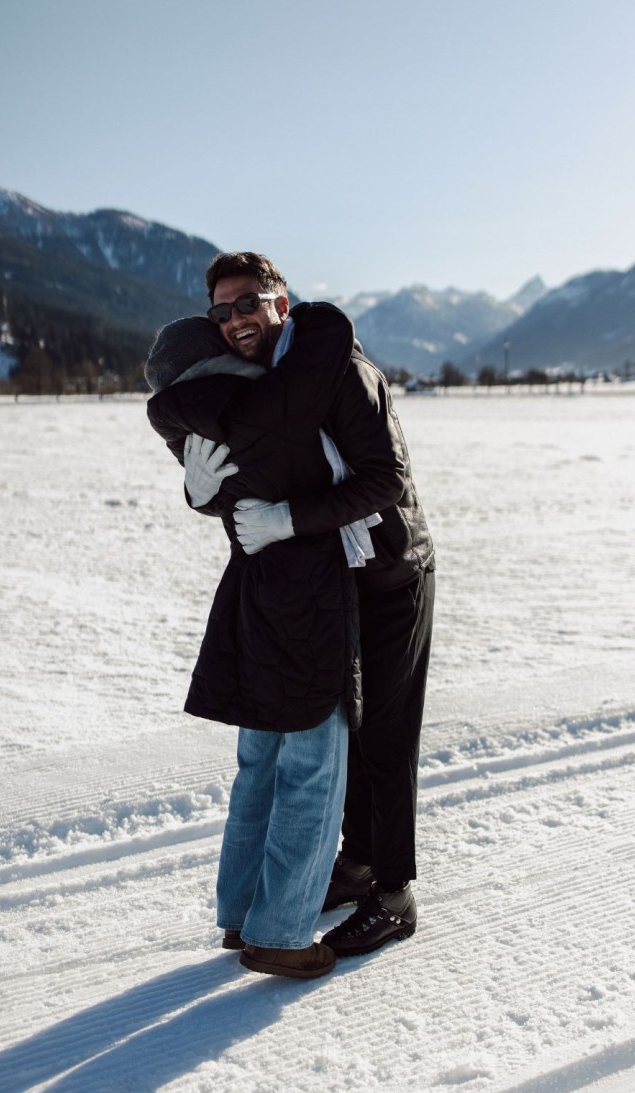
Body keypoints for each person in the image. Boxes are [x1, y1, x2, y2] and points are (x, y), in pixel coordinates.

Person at [195, 253, 435, 958]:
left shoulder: (341, 372)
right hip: (331, 584)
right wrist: (202, 492)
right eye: (222, 311)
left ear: (281, 301)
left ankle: (394, 894)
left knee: (384, 737)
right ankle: (356, 864)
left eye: (248, 302)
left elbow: (384, 480)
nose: (236, 320)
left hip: (389, 575)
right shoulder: (271, 381)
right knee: (344, 735)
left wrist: (289, 520)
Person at [147, 299, 362, 979]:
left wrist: (199, 493)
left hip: (248, 600)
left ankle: (241, 911)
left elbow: (221, 490)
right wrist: (313, 317)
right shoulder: (262, 406)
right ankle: (282, 933)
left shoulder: (189, 421)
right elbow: (323, 358)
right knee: (312, 768)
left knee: (259, 766)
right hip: (305, 602)